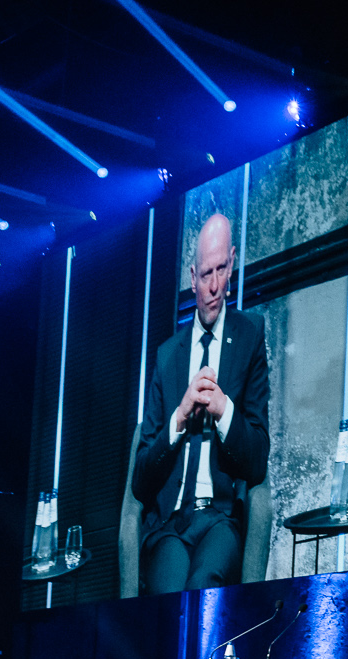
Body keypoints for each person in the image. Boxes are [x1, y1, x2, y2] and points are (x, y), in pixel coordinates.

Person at [130, 213, 271, 595]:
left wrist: (224, 410)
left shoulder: (250, 336)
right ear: (192, 277)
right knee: (172, 596)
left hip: (219, 517)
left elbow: (258, 457)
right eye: (205, 273)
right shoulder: (167, 356)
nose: (213, 286)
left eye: (221, 270)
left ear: (232, 262)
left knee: (204, 585)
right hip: (170, 524)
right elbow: (140, 480)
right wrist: (179, 417)